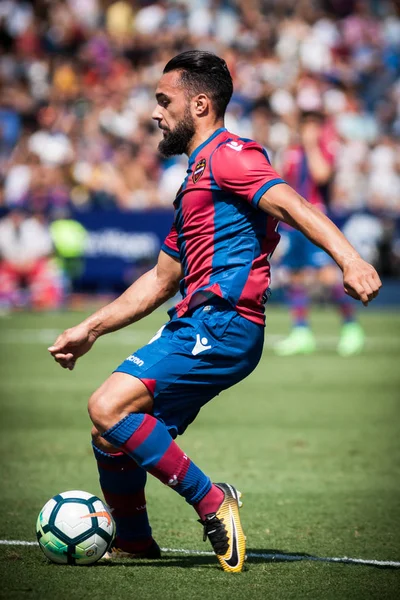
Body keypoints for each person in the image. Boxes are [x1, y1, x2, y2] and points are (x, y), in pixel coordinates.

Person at [48, 51, 382, 573]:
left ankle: (212, 502)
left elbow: (294, 205)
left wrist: (351, 259)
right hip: (199, 320)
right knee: (110, 432)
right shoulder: (194, 182)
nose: (156, 113)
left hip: (223, 320)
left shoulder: (230, 156)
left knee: (106, 405)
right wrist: (89, 327)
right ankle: (134, 539)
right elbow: (161, 279)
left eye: (165, 101)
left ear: (200, 103)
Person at [275, 111, 365, 357]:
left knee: (327, 276)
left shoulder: (324, 150)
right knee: (294, 276)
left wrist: (312, 145)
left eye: (313, 127)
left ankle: (351, 328)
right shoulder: (292, 153)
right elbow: (282, 183)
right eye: (306, 127)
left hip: (316, 219)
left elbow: (322, 174)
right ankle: (301, 332)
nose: (308, 132)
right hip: (293, 224)